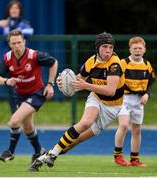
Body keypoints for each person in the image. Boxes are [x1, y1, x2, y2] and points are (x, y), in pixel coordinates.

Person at [29, 32, 125, 171]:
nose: (108, 50)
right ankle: (53, 155)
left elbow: (110, 91)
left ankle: (44, 157)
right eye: (105, 47)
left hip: (112, 108)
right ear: (98, 47)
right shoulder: (91, 62)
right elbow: (78, 80)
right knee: (85, 122)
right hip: (96, 99)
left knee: (76, 140)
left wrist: (86, 86)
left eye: (110, 47)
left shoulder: (115, 65)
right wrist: (63, 82)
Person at [0, 30, 58, 169]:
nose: (17, 46)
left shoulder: (34, 55)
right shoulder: (7, 58)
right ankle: (40, 152)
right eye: (13, 43)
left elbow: (53, 62)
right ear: (9, 45)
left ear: (24, 42)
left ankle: (10, 151)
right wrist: (6, 81)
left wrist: (50, 85)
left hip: (37, 93)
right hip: (20, 96)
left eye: (19, 42)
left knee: (15, 121)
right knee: (27, 127)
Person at [114, 36, 155, 167]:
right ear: (130, 49)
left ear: (144, 50)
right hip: (123, 98)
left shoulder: (147, 65)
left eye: (140, 48)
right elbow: (114, 78)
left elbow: (150, 82)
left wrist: (147, 94)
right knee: (124, 125)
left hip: (138, 100)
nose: (137, 50)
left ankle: (134, 159)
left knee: (137, 129)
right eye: (135, 48)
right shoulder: (123, 63)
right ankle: (118, 155)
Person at [0, 0, 34, 114]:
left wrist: (10, 27)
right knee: (11, 90)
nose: (14, 10)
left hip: (23, 62)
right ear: (8, 11)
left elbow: (28, 32)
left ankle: (24, 113)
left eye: (16, 8)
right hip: (9, 62)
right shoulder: (4, 24)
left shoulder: (24, 23)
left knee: (25, 89)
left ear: (20, 11)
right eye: (12, 8)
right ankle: (15, 114)